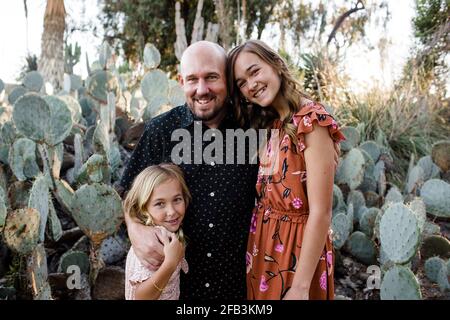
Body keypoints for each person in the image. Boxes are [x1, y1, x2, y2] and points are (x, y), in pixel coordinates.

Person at [119, 41, 259, 299]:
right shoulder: (161, 131)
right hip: (177, 290)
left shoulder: (255, 129)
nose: (201, 89)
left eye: (212, 77)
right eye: (193, 79)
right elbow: (127, 191)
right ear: (181, 81)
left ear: (228, 80)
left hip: (237, 288)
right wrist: (134, 228)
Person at [227, 39, 345, 300]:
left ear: (276, 65)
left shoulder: (311, 121)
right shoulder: (272, 122)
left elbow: (321, 213)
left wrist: (301, 286)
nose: (251, 85)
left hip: (298, 254)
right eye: (241, 83)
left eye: (254, 71)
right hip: (265, 248)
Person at [124, 164, 190, 300]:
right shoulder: (151, 245)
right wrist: (170, 263)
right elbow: (141, 297)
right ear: (143, 207)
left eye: (177, 199)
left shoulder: (167, 235)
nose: (172, 212)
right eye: (160, 204)